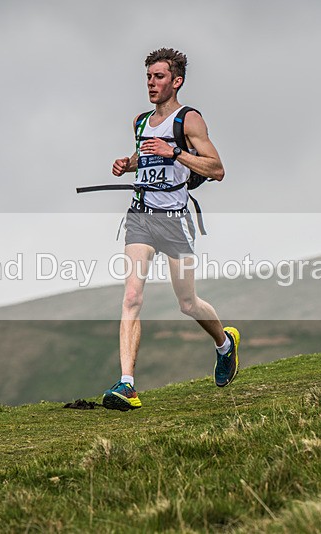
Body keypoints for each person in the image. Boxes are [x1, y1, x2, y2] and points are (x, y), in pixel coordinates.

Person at [101, 47, 240, 411]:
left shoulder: (188, 120)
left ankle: (224, 344)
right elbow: (145, 154)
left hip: (175, 221)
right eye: (148, 77)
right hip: (141, 217)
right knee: (132, 297)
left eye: (159, 77)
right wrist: (127, 164)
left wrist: (174, 153)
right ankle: (126, 385)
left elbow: (217, 169)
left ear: (176, 81)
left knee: (187, 302)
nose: (151, 83)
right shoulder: (141, 121)